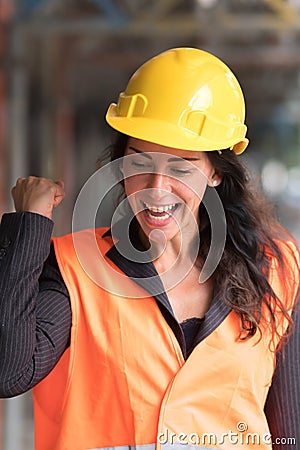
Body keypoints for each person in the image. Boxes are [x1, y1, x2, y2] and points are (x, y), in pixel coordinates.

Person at [0, 47, 299, 450]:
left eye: (182, 166)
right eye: (139, 161)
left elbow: (288, 425)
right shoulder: (78, 269)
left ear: (215, 172)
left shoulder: (276, 268)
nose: (156, 188)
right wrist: (27, 226)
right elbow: (9, 371)